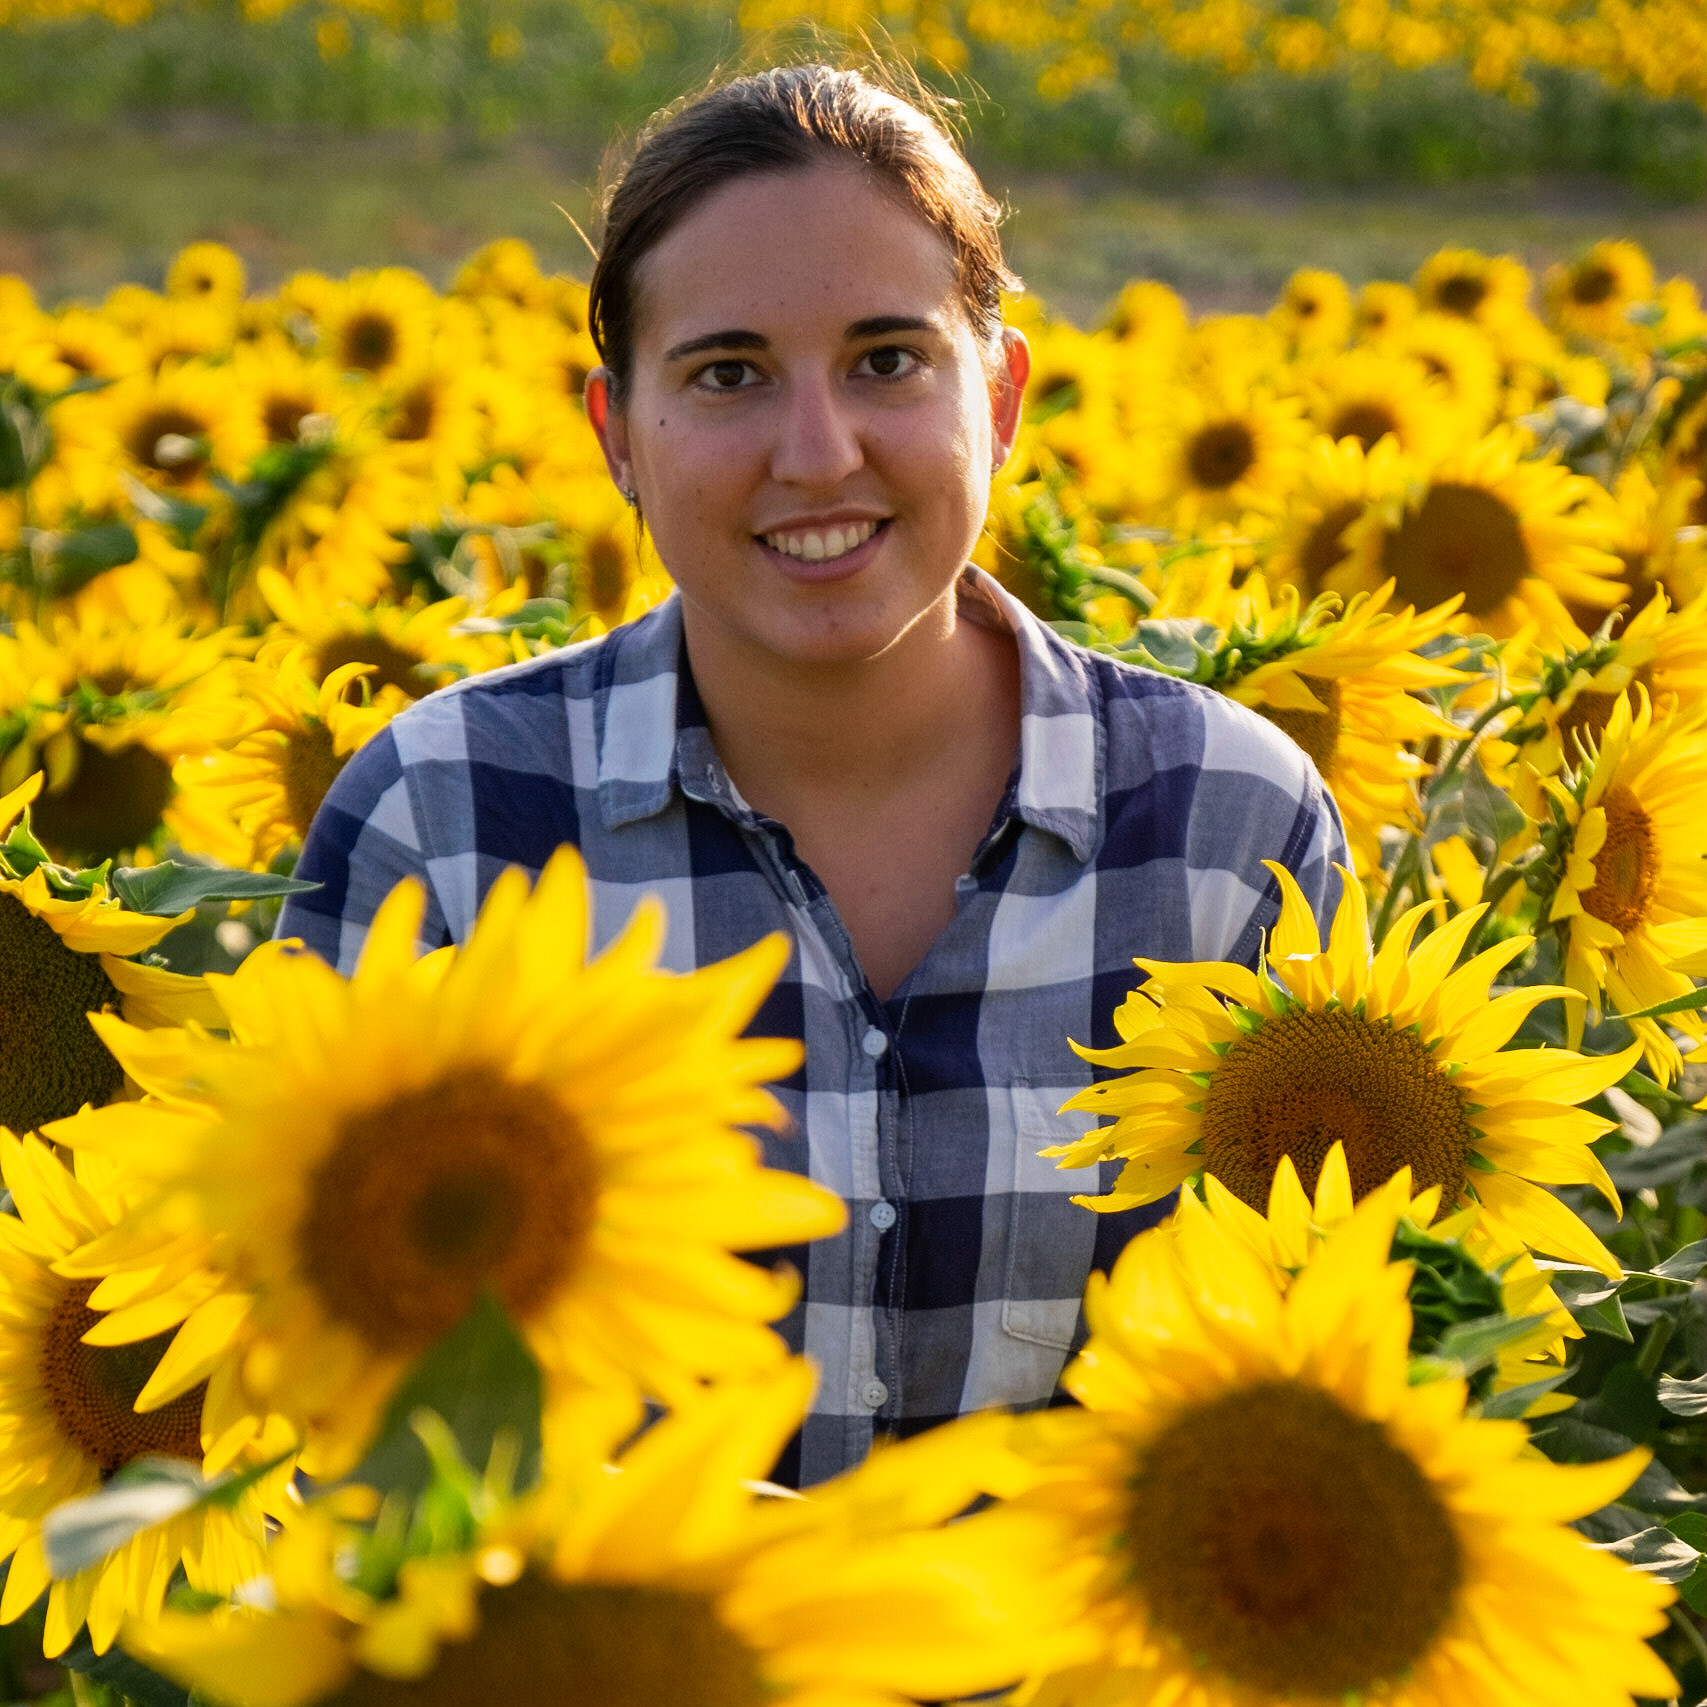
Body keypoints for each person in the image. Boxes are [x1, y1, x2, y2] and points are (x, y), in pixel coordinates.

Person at [278, 62, 1348, 1487]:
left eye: (887, 360)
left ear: (1005, 394)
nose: (817, 452)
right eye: (728, 374)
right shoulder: (451, 822)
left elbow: (1329, 1364)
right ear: (617, 437)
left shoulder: (1227, 829)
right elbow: (315, 1389)